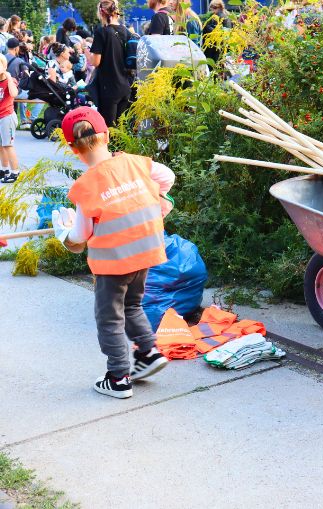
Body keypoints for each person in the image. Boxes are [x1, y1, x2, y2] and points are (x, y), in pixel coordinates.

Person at [53, 106, 174, 398]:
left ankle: (118, 377)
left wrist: (63, 231)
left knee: (109, 317)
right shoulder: (136, 163)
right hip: (145, 251)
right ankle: (148, 352)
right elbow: (167, 176)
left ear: (73, 149)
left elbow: (80, 236)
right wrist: (157, 198)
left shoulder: (86, 187)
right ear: (106, 135)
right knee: (132, 305)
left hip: (112, 263)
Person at [84, 0, 133, 126]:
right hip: (126, 86)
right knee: (121, 131)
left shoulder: (101, 32)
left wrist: (86, 51)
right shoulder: (126, 32)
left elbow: (95, 62)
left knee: (108, 129)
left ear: (101, 12)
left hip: (109, 88)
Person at [0, 54, 20, 183]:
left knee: (8, 145)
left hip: (7, 116)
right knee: (1, 146)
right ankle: (4, 169)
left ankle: (15, 172)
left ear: (4, 66)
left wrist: (8, 76)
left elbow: (14, 94)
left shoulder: (9, 80)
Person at [202, 0, 231, 64]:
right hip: (223, 46)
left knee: (214, 64)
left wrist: (206, 26)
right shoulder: (227, 15)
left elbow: (216, 32)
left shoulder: (217, 16)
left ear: (214, 8)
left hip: (215, 47)